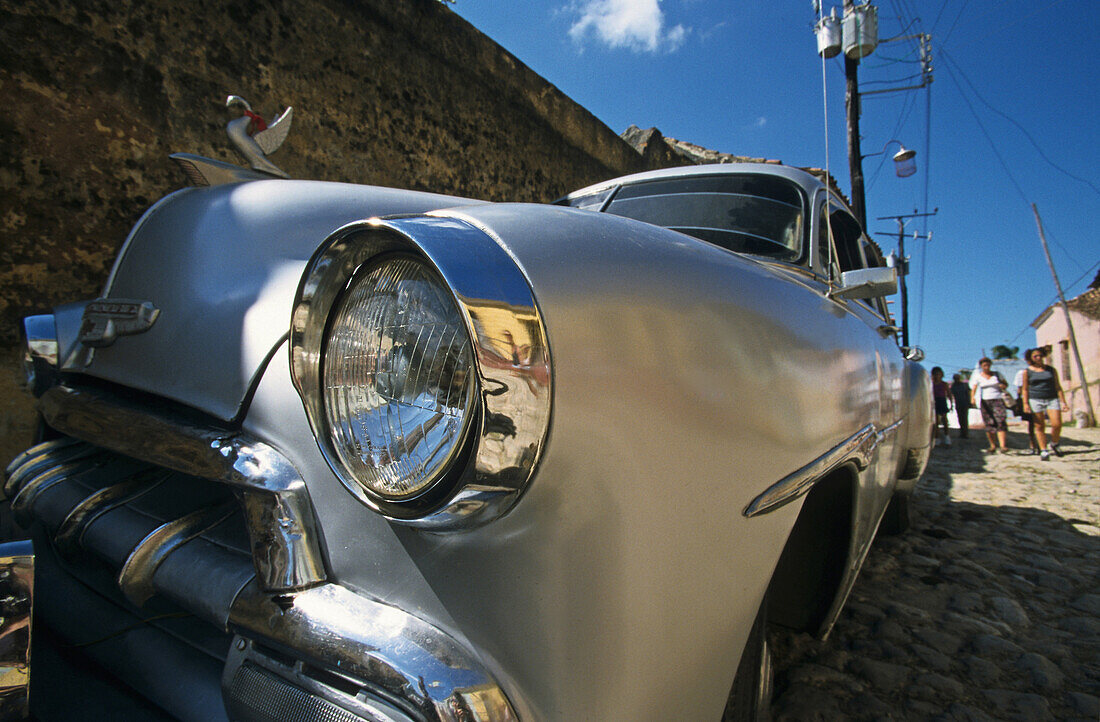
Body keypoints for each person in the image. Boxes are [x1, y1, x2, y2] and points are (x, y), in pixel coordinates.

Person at [1022, 347, 1069, 461]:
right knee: (1039, 425)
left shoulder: (1051, 370)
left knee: (1057, 424)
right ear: (1031, 358)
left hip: (1051, 398)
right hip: (1035, 399)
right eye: (1035, 356)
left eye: (1039, 355)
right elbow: (1025, 389)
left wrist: (1063, 402)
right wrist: (1025, 404)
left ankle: (1054, 443)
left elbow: (1058, 386)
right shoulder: (1027, 372)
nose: (1038, 358)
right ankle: (1044, 450)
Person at [970, 357, 1010, 453]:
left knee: (1001, 421)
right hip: (985, 401)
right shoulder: (978, 376)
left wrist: (1002, 386)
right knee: (989, 423)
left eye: (988, 365)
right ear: (981, 366)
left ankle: (1003, 446)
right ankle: (992, 445)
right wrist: (973, 398)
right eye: (984, 365)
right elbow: (974, 388)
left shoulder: (997, 375)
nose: (986, 367)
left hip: (998, 399)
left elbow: (1005, 384)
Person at [1012, 354, 1039, 454]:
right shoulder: (1023, 373)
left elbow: (1019, 390)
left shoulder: (1022, 373)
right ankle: (1035, 445)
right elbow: (1019, 390)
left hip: (1034, 399)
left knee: (1033, 424)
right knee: (1035, 424)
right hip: (1029, 400)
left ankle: (1035, 445)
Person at [930, 367, 951, 446]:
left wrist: (951, 404)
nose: (936, 376)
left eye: (938, 374)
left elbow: (948, 394)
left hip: (942, 401)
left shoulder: (944, 384)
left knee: (945, 420)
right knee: (936, 422)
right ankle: (936, 438)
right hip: (934, 402)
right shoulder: (931, 384)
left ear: (941, 375)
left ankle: (946, 437)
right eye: (935, 374)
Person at [950, 373, 971, 437]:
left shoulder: (964, 385)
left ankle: (965, 433)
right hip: (958, 404)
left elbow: (968, 394)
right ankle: (962, 432)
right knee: (960, 418)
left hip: (965, 403)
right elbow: (951, 394)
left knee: (965, 418)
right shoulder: (953, 386)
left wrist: (969, 402)